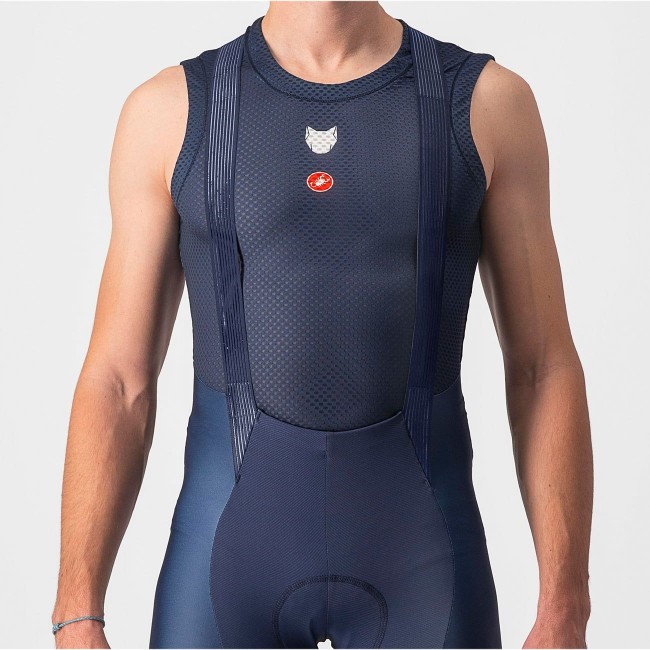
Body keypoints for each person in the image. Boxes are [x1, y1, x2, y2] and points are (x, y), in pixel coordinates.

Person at [52, 2, 593, 648]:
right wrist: (76, 614)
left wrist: (565, 609)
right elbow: (118, 380)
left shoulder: (484, 104)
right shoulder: (171, 111)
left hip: (423, 561)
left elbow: (542, 367)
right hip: (228, 558)